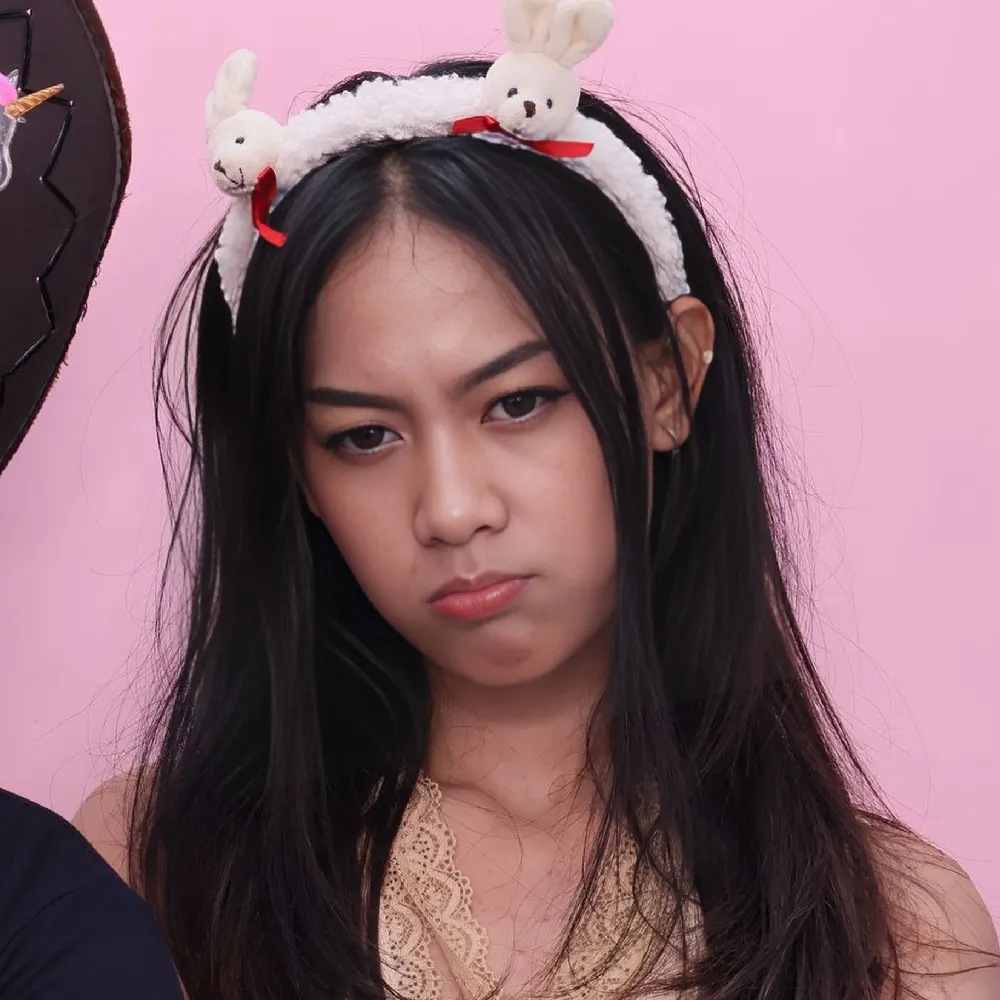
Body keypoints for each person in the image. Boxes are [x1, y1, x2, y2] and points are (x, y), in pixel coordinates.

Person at [75, 1, 999, 998]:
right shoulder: (153, 872)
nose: (451, 509)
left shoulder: (896, 929)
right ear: (297, 470)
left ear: (667, 381)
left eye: (518, 402)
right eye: (363, 436)